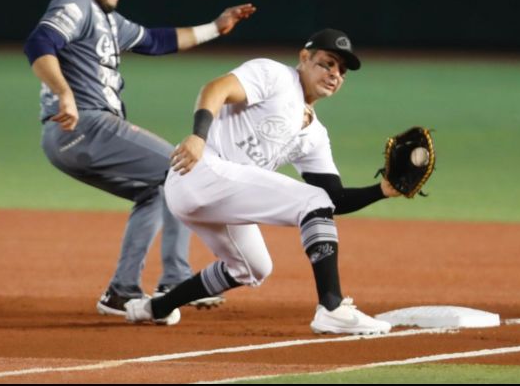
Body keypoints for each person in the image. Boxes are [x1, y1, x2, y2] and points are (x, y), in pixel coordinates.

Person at [22, 0, 256, 317]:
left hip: (73, 136)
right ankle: (177, 280)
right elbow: (39, 43)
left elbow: (156, 41)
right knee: (184, 167)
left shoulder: (109, 21)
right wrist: (63, 92)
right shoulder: (74, 5)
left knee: (157, 192)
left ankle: (121, 291)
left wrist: (216, 27)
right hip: (85, 123)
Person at [123, 28, 401, 334]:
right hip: (199, 171)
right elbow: (215, 89)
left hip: (221, 194)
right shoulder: (275, 75)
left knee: (253, 268)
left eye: (342, 71)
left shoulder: (316, 136)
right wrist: (198, 136)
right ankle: (331, 307)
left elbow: (332, 199)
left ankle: (158, 306)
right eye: (328, 63)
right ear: (304, 58)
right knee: (312, 200)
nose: (335, 74)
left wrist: (383, 190)